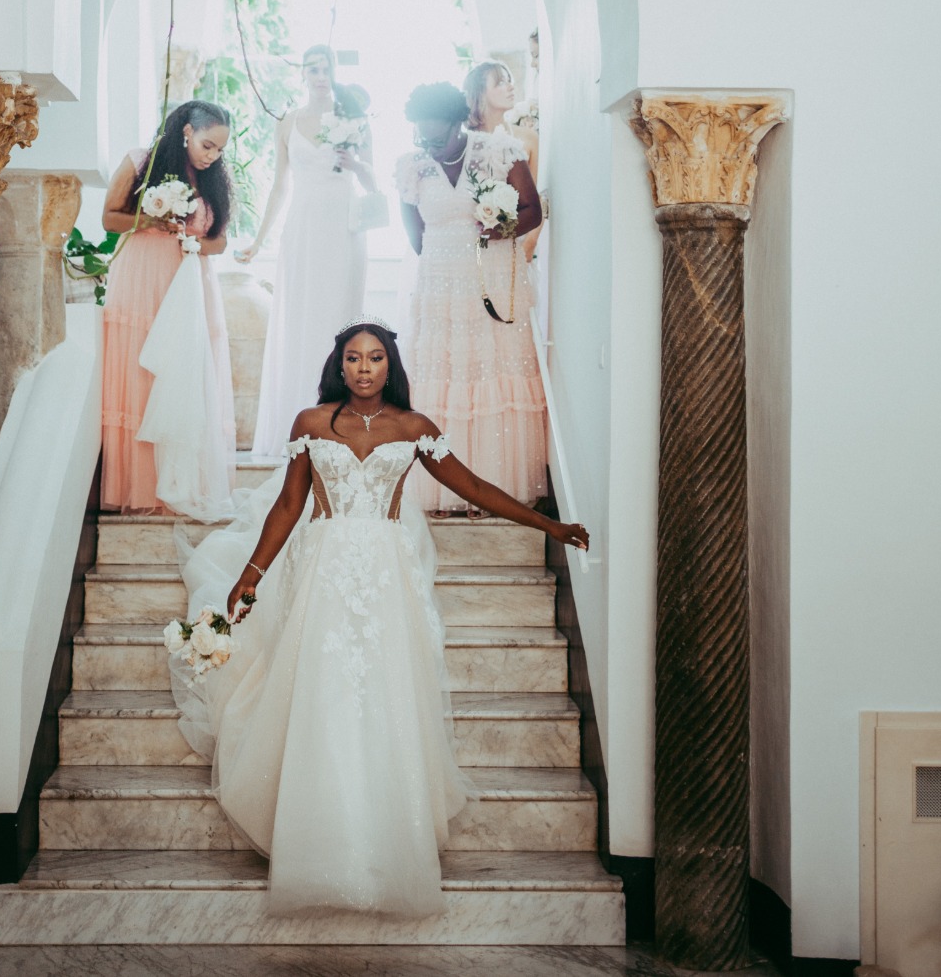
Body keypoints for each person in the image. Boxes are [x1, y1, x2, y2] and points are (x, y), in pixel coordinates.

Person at [170, 321, 589, 918]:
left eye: (374, 358)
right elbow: (290, 504)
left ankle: (389, 841)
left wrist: (549, 524)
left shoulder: (415, 429)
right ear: (339, 367)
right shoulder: (311, 424)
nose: (364, 368)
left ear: (389, 365)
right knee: (324, 695)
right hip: (324, 569)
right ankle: (316, 842)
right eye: (353, 358)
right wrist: (251, 574)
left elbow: (470, 485)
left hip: (387, 577)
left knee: (384, 695)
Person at [395, 82, 548, 513]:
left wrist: (502, 230)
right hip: (440, 286)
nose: (430, 144)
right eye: (422, 136)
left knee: (491, 371)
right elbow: (416, 236)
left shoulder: (499, 152)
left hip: (492, 277)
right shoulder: (411, 167)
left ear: (459, 123)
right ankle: (441, 490)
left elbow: (533, 209)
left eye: (437, 136)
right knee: (444, 379)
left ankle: (495, 486)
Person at [237, 44, 378, 455]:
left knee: (339, 319)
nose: (320, 75)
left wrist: (353, 163)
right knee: (301, 319)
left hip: (344, 226)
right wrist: (259, 240)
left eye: (326, 68)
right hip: (303, 226)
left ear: (335, 72)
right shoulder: (288, 121)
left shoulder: (355, 118)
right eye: (312, 68)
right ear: (302, 73)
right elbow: (280, 186)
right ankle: (300, 422)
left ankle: (343, 426)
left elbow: (374, 183)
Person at [100, 100, 236, 514]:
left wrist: (192, 241)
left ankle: (183, 480)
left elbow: (220, 242)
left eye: (219, 150)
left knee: (187, 375)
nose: (212, 156)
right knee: (144, 373)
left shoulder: (214, 180)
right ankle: (139, 488)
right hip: (143, 280)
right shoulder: (141, 161)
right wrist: (151, 220)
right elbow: (109, 218)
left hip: (191, 284)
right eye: (208, 145)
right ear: (186, 132)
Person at [464, 58, 543, 261]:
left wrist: (529, 244)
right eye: (500, 82)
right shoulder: (467, 143)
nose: (510, 86)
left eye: (509, 80)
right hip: (472, 245)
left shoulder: (528, 138)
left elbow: (537, 197)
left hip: (516, 245)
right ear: (480, 92)